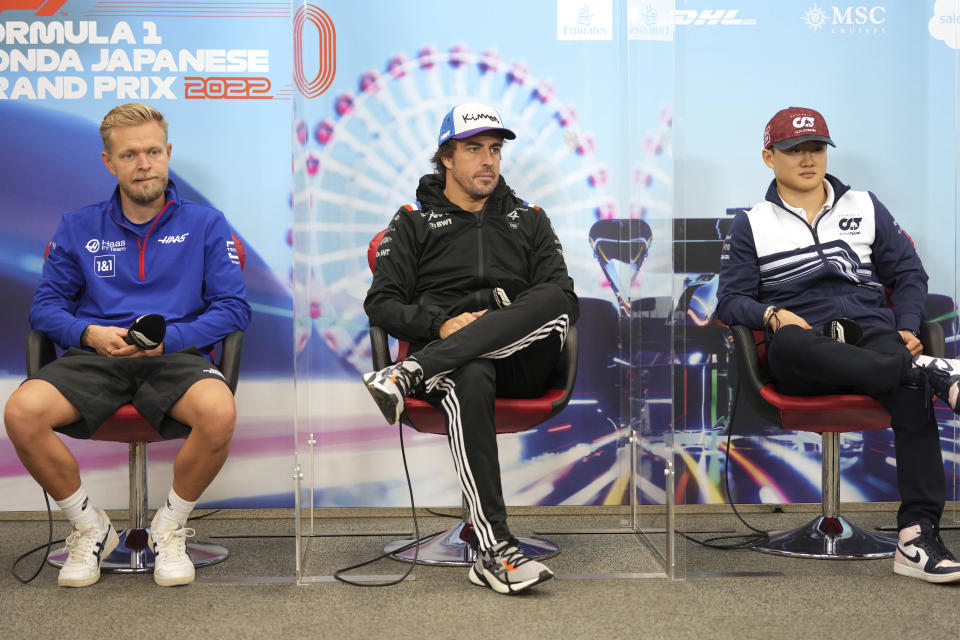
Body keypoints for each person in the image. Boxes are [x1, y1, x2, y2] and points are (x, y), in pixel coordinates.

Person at [3, 103, 251, 588]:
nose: (144, 164)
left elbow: (233, 309)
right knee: (20, 413)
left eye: (154, 152)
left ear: (168, 154)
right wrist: (88, 333)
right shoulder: (78, 225)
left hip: (174, 358)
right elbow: (45, 309)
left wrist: (169, 342)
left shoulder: (206, 223)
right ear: (108, 162)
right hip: (96, 358)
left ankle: (169, 526)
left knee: (219, 413)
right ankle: (89, 528)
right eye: (130, 154)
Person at [717, 106, 960, 583]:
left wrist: (909, 324)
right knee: (786, 346)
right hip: (805, 345)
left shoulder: (865, 205)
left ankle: (916, 537)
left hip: (871, 332)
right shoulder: (753, 223)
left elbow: (908, 274)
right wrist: (769, 314)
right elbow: (729, 302)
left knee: (904, 382)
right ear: (769, 157)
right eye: (794, 150)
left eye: (816, 148)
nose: (807, 159)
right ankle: (931, 372)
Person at [362, 102, 579, 594]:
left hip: (525, 360)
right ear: (446, 157)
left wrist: (497, 318)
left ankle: (408, 373)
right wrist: (441, 325)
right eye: (474, 149)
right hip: (456, 364)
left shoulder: (531, 219)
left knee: (556, 297)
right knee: (471, 370)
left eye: (495, 150)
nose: (488, 161)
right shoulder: (413, 220)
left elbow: (559, 300)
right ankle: (495, 549)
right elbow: (382, 303)